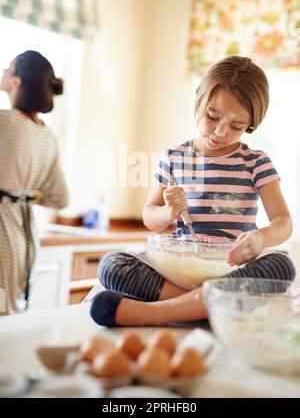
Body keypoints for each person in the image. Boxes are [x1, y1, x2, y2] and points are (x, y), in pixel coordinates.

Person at [90, 55, 295, 327]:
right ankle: (209, 307)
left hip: (230, 269)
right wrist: (168, 212)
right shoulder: (174, 157)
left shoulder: (256, 162)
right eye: (212, 116)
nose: (220, 132)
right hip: (179, 266)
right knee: (113, 265)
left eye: (236, 126)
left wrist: (260, 239)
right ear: (199, 100)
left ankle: (157, 313)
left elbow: (284, 222)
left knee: (281, 266)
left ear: (251, 124)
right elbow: (149, 216)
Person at [0, 50, 69, 314]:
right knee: (8, 315)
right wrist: (25, 194)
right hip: (24, 238)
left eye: (9, 67)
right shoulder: (47, 136)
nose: (4, 71)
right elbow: (60, 198)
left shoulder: (3, 122)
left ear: (17, 81)